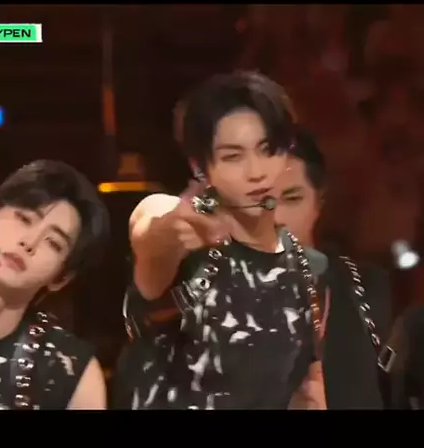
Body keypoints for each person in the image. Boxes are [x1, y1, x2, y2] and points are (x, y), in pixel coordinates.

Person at [115, 71, 329, 410]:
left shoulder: (305, 266)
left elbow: (306, 389)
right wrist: (172, 226)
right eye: (233, 156)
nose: (256, 172)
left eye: (267, 150)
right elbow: (151, 226)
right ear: (200, 167)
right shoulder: (181, 230)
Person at [0, 159, 110, 410]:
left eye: (53, 243)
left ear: (61, 277)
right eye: (24, 218)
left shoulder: (72, 375)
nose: (29, 242)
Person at [272, 126, 392, 408]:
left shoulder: (366, 289)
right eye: (260, 201)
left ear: (319, 201)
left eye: (292, 198)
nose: (275, 217)